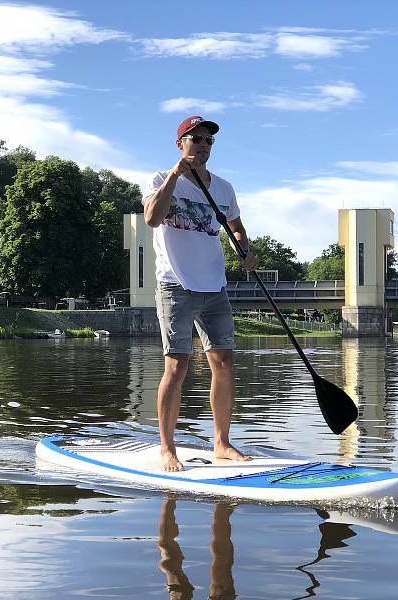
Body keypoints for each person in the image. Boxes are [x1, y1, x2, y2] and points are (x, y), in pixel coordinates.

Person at [143, 115, 258, 472]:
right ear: (181, 144)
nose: (203, 145)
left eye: (208, 140)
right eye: (196, 139)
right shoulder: (161, 179)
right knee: (177, 367)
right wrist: (176, 175)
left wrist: (244, 250)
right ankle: (167, 449)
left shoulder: (223, 188)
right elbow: (151, 218)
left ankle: (222, 444)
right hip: (175, 284)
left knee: (223, 363)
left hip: (215, 285)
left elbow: (236, 227)